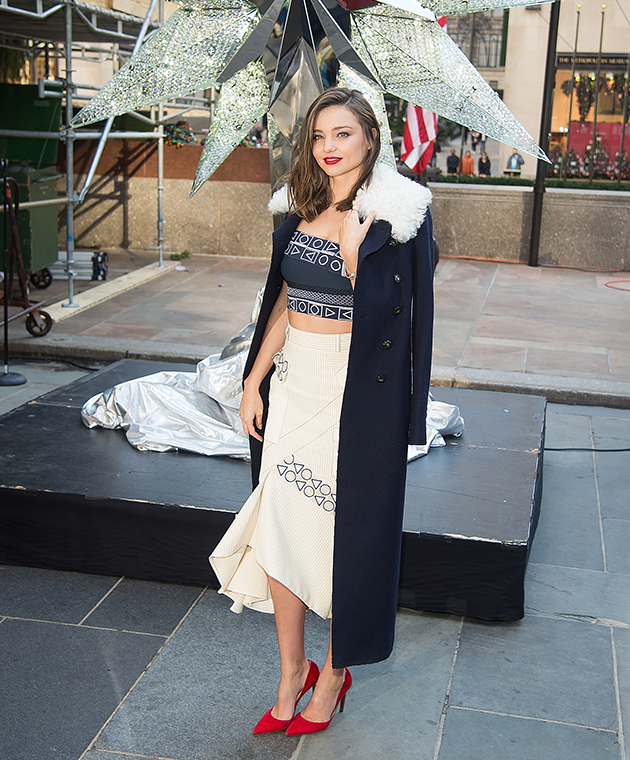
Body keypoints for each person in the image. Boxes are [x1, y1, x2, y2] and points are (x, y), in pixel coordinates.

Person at [209, 88, 434, 737]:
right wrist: (253, 381)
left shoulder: (400, 215)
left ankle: (334, 673)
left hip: (355, 391)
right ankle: (291, 670)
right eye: (318, 137)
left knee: (347, 541)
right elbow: (282, 300)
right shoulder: (298, 206)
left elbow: (412, 318)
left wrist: (355, 260)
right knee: (280, 528)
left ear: (369, 136)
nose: (329, 148)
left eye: (342, 134)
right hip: (294, 380)